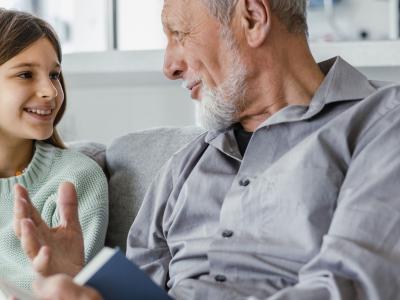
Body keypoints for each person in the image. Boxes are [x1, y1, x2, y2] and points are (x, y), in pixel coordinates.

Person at [14, 0, 400, 299]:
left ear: (251, 18)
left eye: (179, 34)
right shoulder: (185, 167)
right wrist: (79, 279)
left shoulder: (382, 124)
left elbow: (355, 287)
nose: (169, 66)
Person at [0, 9, 109, 289]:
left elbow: (75, 288)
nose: (50, 90)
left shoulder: (76, 179)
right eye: (26, 74)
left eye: (55, 74)